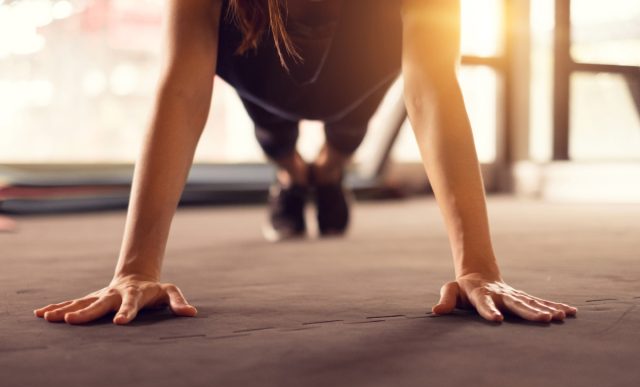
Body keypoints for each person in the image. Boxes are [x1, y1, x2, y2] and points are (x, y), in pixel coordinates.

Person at [34, 0, 578, 325]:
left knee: (345, 134)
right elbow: (181, 89)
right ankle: (293, 173)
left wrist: (478, 266)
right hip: (258, 60)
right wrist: (135, 268)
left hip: (358, 71)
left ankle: (330, 170)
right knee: (276, 135)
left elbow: (431, 88)